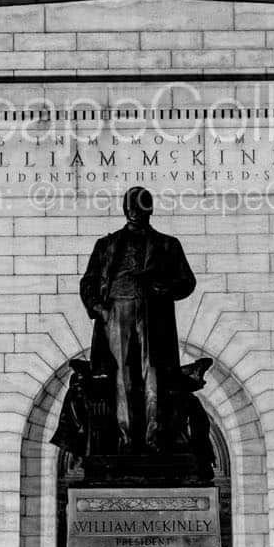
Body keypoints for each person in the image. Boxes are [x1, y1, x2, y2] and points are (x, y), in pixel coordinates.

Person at [79, 187, 196, 451]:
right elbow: (89, 281)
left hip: (154, 313)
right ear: (124, 209)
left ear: (150, 209)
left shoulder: (168, 244)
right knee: (121, 376)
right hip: (117, 311)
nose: (133, 211)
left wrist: (164, 289)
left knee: (153, 374)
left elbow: (187, 281)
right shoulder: (106, 245)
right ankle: (126, 440)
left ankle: (154, 439)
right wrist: (98, 307)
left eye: (140, 206)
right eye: (129, 206)